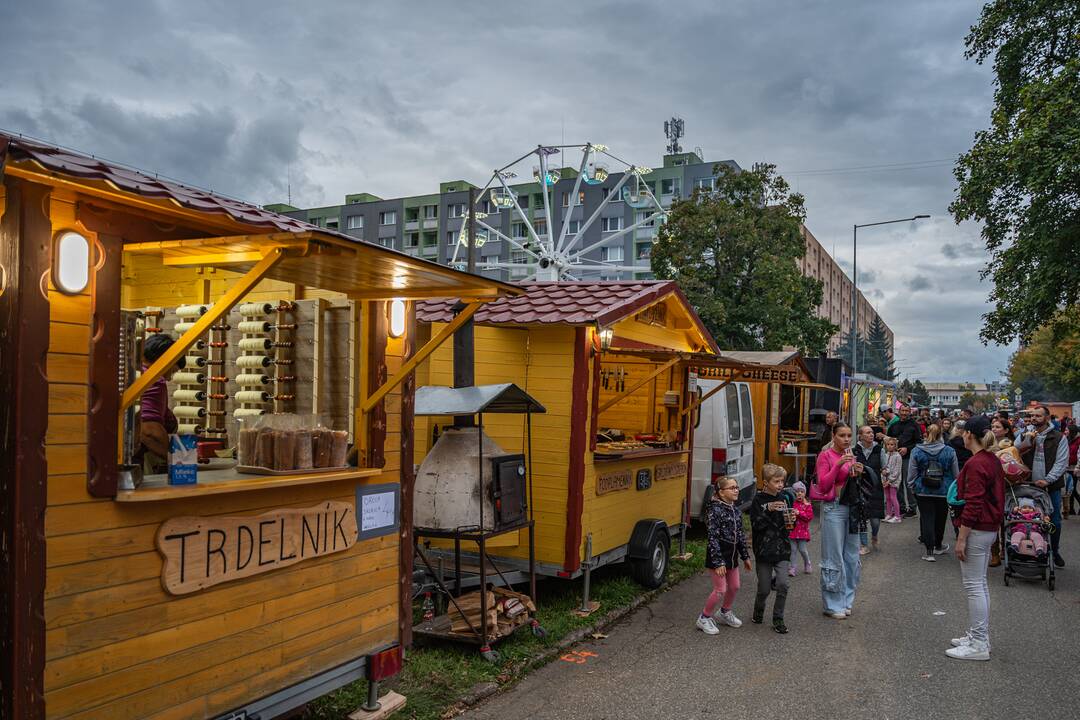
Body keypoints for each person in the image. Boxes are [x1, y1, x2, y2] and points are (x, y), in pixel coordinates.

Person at [947, 415, 1005, 661]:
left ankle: (979, 643)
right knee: (979, 583)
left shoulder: (977, 463)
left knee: (974, 586)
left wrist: (961, 538)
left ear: (968, 434)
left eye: (962, 430)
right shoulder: (990, 459)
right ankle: (978, 636)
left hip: (978, 528)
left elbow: (973, 503)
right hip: (987, 527)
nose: (960, 433)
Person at [811, 421, 861, 619]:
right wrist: (839, 464)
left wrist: (858, 471)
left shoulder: (851, 454)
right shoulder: (825, 456)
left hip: (852, 507)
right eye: (842, 435)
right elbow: (823, 485)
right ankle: (832, 603)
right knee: (833, 556)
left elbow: (851, 481)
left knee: (852, 557)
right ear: (833, 436)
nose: (846, 439)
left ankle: (847, 599)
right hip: (833, 507)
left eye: (849, 435)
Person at [698, 476, 752, 635]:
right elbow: (712, 538)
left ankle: (724, 612)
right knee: (720, 589)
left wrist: (745, 557)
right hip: (718, 557)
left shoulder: (735, 509)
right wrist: (718, 562)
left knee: (735, 586)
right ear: (721, 492)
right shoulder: (714, 510)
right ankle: (703, 617)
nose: (736, 490)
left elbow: (740, 535)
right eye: (732, 488)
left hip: (732, 556)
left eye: (737, 487)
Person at [1016, 405, 1068, 567]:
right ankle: (1026, 550)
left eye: (1038, 416)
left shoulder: (1059, 437)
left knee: (1054, 520)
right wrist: (1027, 439)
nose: (1034, 419)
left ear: (1047, 417)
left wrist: (1048, 479)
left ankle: (1054, 550)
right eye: (1032, 416)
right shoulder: (1024, 433)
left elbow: (1062, 462)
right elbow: (1014, 451)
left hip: (1049, 486)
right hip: (1028, 485)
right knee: (1026, 517)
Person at [750, 464, 792, 634]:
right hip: (763, 550)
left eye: (782, 481)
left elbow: (788, 526)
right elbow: (756, 525)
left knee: (783, 584)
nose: (780, 484)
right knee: (764, 588)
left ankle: (778, 618)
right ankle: (758, 610)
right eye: (776, 481)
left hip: (782, 548)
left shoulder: (785, 498)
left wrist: (792, 518)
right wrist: (768, 509)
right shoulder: (757, 500)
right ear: (766, 482)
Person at [135, 333, 185, 474]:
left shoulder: (135, 374)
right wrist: (179, 462)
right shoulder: (154, 381)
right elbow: (149, 431)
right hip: (139, 463)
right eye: (173, 370)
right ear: (166, 361)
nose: (169, 378)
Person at [908, 424, 959, 562]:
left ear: (926, 434)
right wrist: (955, 489)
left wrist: (912, 486)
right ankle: (938, 545)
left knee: (926, 518)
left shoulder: (917, 451)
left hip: (923, 489)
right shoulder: (949, 451)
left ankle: (929, 551)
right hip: (944, 490)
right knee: (941, 518)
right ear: (941, 434)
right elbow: (956, 473)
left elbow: (912, 472)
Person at [887, 405, 923, 517]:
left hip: (908, 458)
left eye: (906, 411)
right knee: (897, 483)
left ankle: (912, 508)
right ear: (899, 411)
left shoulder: (914, 425)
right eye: (902, 410)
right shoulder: (893, 425)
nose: (904, 413)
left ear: (909, 412)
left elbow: (919, 442)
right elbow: (888, 441)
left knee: (908, 483)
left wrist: (907, 449)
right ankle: (901, 507)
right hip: (894, 458)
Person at [854, 425, 886, 554]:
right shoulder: (855, 451)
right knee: (861, 518)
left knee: (875, 521)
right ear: (860, 436)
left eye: (872, 433)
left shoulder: (879, 450)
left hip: (875, 487)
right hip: (859, 487)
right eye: (867, 433)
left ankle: (874, 535)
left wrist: (886, 472)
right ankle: (863, 545)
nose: (871, 435)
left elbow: (884, 466)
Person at [788, 481, 813, 576]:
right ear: (794, 493)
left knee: (802, 549)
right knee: (793, 550)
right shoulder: (792, 504)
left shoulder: (807, 505)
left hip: (802, 531)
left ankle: (807, 563)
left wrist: (799, 513)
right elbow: (788, 514)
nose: (799, 494)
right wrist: (791, 515)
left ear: (805, 493)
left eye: (802, 492)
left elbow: (809, 517)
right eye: (797, 492)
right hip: (792, 531)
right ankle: (792, 567)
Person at [882, 436, 903, 522]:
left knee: (893, 497)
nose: (890, 446)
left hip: (894, 480)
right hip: (885, 479)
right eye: (888, 444)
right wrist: (883, 472)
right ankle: (889, 514)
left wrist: (890, 480)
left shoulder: (898, 456)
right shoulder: (885, 455)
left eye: (892, 445)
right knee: (887, 498)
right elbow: (883, 466)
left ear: (895, 446)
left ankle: (897, 516)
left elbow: (897, 471)